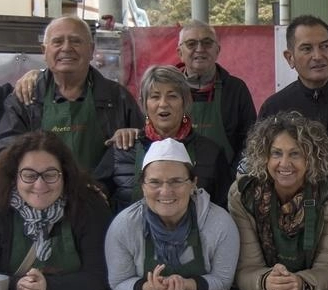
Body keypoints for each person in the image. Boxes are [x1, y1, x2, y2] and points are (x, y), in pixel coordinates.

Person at [0, 131, 111, 290]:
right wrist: (16, 288)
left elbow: (100, 275)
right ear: (15, 177)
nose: (39, 185)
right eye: (29, 175)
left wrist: (49, 289)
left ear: (64, 175)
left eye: (50, 174)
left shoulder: (89, 205)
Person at [0, 15, 144, 170]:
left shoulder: (118, 97)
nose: (66, 48)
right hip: (41, 191)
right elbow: (3, 152)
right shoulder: (26, 98)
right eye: (57, 42)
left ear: (91, 50)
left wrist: (134, 136)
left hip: (103, 192)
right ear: (44, 51)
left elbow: (143, 152)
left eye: (76, 41)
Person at [228, 112, 328, 290]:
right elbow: (246, 268)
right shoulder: (244, 194)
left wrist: (301, 283)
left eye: (295, 154)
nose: (284, 163)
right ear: (264, 156)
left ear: (312, 158)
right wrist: (266, 281)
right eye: (276, 153)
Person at [105, 138, 239, 290]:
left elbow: (223, 280)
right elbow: (119, 281)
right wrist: (151, 288)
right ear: (143, 186)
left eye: (176, 181)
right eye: (155, 182)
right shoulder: (124, 225)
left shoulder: (219, 223)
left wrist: (184, 285)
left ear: (193, 184)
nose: (166, 191)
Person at [94, 66, 233, 212]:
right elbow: (96, 196)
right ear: (144, 104)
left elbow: (224, 208)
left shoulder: (211, 152)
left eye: (172, 96)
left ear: (185, 102)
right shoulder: (122, 149)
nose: (163, 104)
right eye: (155, 96)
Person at [258, 15, 328, 150]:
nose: (318, 56)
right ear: (290, 57)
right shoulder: (274, 108)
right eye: (307, 49)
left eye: (325, 46)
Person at [175, 20, 256, 165]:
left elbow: (251, 140)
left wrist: (235, 179)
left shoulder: (236, 89)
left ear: (217, 50)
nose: (200, 49)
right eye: (191, 44)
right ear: (180, 53)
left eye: (207, 43)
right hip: (177, 180)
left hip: (227, 182)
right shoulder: (168, 89)